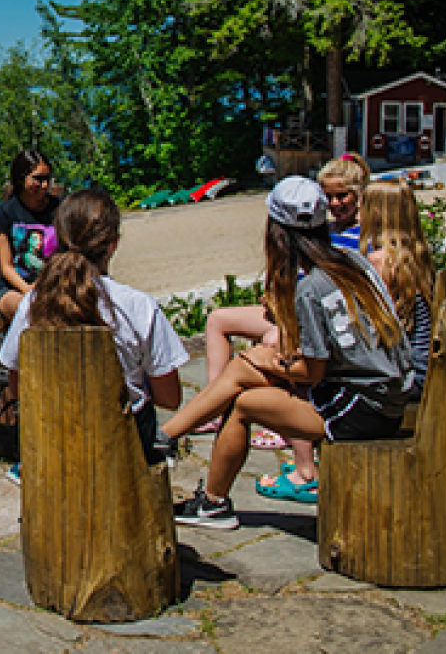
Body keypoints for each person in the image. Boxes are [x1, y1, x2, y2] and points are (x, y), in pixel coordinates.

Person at [162, 176, 408, 529]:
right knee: (247, 369)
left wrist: (274, 361)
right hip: (384, 394)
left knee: (243, 392)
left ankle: (186, 466)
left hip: (360, 408)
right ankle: (172, 444)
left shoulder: (311, 287)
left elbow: (313, 372)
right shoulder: (353, 262)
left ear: (276, 231)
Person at [0, 188, 188, 482]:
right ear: (113, 244)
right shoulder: (139, 307)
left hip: (53, 437)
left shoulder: (33, 307)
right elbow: (169, 397)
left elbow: (17, 385)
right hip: (121, 441)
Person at [360, 181, 436, 400]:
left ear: (375, 212)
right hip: (421, 369)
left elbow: (379, 330)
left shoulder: (381, 262)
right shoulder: (415, 256)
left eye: (362, 205)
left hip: (405, 377)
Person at [0, 150, 61, 321]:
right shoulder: (5, 214)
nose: (44, 185)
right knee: (28, 310)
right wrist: (29, 290)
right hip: (14, 288)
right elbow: (6, 267)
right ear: (21, 179)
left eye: (47, 179)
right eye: (38, 179)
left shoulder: (61, 210)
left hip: (54, 286)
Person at [319, 153, 371, 250]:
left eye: (342, 196)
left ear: (358, 194)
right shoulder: (322, 232)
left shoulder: (368, 237)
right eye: (328, 196)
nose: (334, 203)